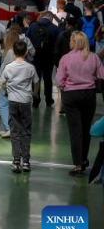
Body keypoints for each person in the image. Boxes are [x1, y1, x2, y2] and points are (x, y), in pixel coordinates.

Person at [56, 32, 104, 177]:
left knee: (75, 130)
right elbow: (102, 75)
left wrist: (65, 87)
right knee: (85, 129)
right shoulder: (94, 57)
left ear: (74, 42)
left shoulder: (65, 58)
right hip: (88, 95)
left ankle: (77, 165)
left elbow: (59, 80)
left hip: (71, 96)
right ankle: (83, 159)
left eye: (71, 40)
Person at [0, 40, 39, 174]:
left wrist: (8, 91)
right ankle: (26, 161)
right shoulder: (30, 67)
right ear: (26, 52)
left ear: (14, 52)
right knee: (26, 130)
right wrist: (34, 93)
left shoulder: (9, 67)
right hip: (26, 102)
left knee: (15, 131)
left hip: (13, 102)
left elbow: (3, 83)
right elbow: (36, 82)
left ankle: (16, 160)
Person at [26, 12, 59, 108]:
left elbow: (27, 39)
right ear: (51, 18)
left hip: (35, 56)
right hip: (49, 57)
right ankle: (48, 99)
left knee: (36, 78)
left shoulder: (33, 26)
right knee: (47, 78)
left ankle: (36, 99)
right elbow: (57, 44)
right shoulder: (54, 28)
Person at [0, 29, 22, 138]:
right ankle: (10, 128)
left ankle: (9, 128)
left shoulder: (10, 53)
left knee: (2, 105)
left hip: (9, 84)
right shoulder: (14, 52)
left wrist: (5, 84)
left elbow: (8, 70)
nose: (4, 39)